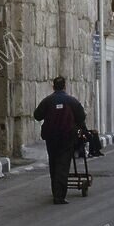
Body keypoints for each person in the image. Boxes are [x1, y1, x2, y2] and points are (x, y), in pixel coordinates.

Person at [34, 76, 86, 205]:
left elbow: (37, 115)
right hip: (67, 137)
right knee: (63, 165)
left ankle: (55, 192)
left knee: (53, 163)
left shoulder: (47, 101)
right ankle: (59, 196)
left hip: (51, 138)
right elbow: (81, 116)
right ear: (64, 86)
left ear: (53, 87)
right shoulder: (72, 101)